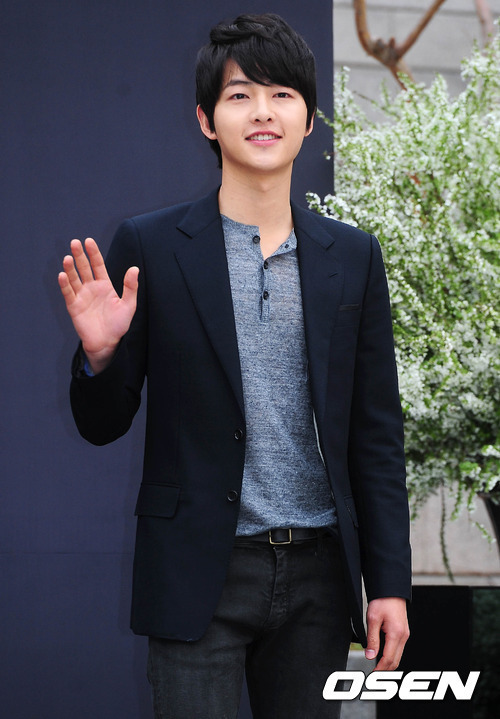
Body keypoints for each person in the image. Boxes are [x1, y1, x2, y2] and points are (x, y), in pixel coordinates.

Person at [58, 13, 411, 719]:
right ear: (206, 120)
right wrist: (101, 356)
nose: (262, 112)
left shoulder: (354, 257)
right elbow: (103, 424)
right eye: (240, 94)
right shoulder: (152, 247)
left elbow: (376, 434)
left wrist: (390, 583)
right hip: (198, 568)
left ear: (308, 120)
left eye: (282, 95)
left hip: (319, 576)